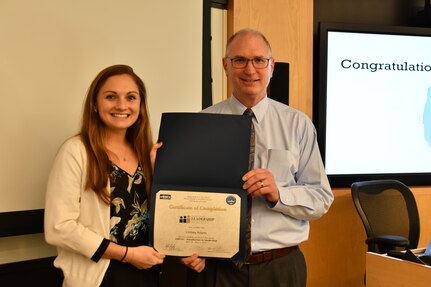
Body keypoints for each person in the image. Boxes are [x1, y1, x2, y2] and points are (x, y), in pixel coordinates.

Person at [181, 29, 334, 287]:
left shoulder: (298, 125)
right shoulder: (201, 124)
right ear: (225, 66)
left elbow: (321, 199)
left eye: (259, 60)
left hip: (281, 268)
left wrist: (279, 194)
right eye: (239, 60)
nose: (249, 69)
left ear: (271, 66)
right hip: (217, 269)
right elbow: (188, 198)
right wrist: (188, 245)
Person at [44, 64, 165, 287]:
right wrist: (127, 254)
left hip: (147, 272)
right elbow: (59, 227)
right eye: (111, 97)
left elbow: (158, 216)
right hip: (100, 277)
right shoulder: (76, 151)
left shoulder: (147, 153)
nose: (122, 105)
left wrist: (161, 178)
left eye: (131, 97)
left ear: (141, 105)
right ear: (94, 104)